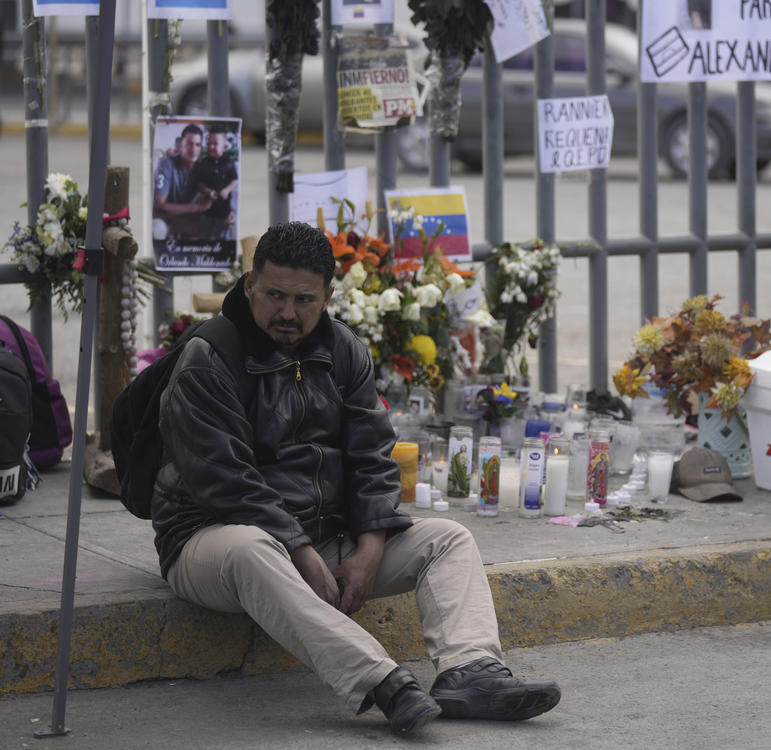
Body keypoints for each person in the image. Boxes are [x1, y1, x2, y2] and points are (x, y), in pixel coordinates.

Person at [152, 221, 560, 736]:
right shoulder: (209, 357)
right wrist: (299, 550)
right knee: (251, 548)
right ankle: (381, 681)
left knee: (448, 539)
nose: (286, 312)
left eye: (303, 300)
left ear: (326, 295)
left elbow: (372, 456)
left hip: (321, 537)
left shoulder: (344, 349)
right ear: (250, 284)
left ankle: (470, 669)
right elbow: (226, 481)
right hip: (210, 539)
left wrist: (368, 549)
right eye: (274, 295)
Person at [152, 123, 213, 240]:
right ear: (181, 145)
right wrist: (196, 207)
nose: (194, 149)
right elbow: (159, 204)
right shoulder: (166, 164)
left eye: (198, 145)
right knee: (157, 227)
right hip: (166, 221)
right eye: (190, 144)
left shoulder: (203, 167)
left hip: (186, 222)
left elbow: (210, 204)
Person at [189, 126, 239, 240]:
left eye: (215, 144)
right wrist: (208, 191)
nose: (211, 147)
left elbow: (234, 180)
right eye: (209, 143)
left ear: (224, 146)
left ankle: (221, 253)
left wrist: (227, 190)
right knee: (204, 234)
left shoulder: (229, 163)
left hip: (223, 210)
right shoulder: (204, 163)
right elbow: (200, 182)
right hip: (207, 210)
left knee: (222, 236)